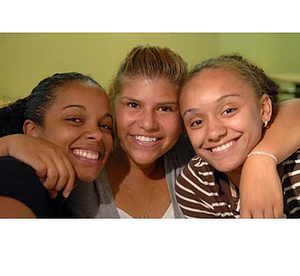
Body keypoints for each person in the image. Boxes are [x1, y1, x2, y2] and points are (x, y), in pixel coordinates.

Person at [62, 46, 300, 218]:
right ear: (113, 105)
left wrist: (261, 159)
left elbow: (288, 110)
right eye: (133, 105)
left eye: (165, 108)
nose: (148, 123)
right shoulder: (85, 161)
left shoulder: (193, 153)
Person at [175, 54, 300, 218]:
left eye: (228, 111)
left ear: (264, 109)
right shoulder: (195, 184)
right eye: (197, 122)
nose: (214, 133)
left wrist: (260, 158)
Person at [0, 72, 113, 218]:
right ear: (32, 131)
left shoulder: (68, 203)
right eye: (75, 119)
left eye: (105, 126)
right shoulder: (17, 177)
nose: (97, 134)